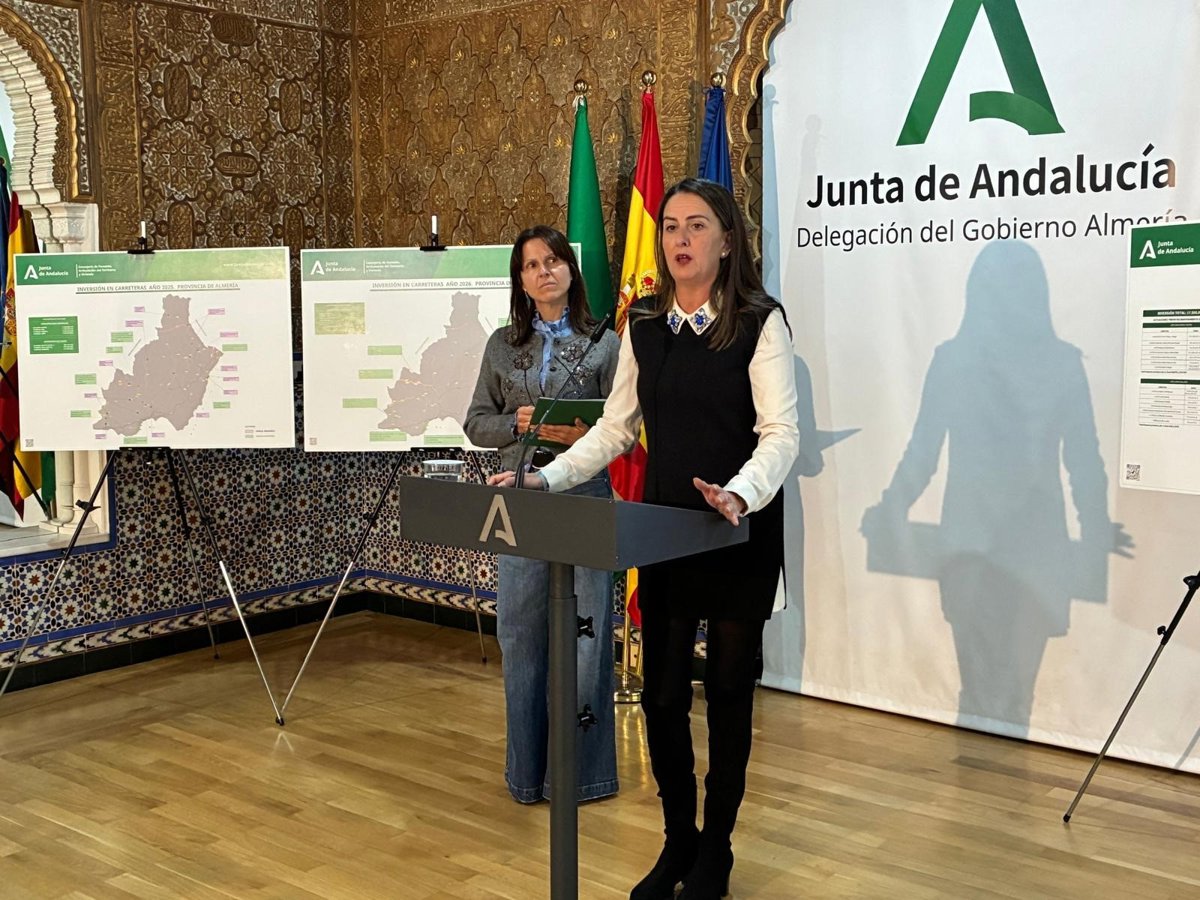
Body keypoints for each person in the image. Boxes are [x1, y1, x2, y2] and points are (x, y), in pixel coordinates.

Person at [489, 179, 799, 900]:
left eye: (697, 226)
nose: (680, 239)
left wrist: (740, 493)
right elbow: (615, 428)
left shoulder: (760, 321)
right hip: (663, 530)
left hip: (737, 529)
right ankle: (678, 841)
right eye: (670, 227)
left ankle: (716, 849)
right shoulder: (646, 323)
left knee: (728, 692)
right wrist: (546, 478)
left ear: (728, 240)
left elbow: (781, 433)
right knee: (661, 697)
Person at [464, 225, 621, 805]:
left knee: (587, 640)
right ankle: (527, 776)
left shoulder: (606, 342)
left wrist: (581, 434)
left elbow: (624, 427)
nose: (544, 272)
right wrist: (517, 423)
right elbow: (476, 423)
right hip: (520, 503)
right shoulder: (501, 345)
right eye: (531, 265)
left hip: (586, 499)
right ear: (521, 281)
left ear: (570, 271)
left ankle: (583, 776)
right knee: (521, 635)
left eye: (553, 260)